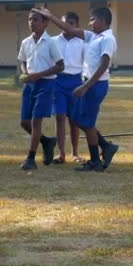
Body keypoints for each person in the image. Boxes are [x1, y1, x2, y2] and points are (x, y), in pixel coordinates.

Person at [32, 7, 119, 172]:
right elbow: (70, 29)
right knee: (80, 119)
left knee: (85, 122)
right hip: (89, 82)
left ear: (102, 21)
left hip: (95, 84)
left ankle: (96, 159)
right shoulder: (94, 36)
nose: (90, 23)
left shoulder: (107, 39)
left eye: (93, 19)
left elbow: (104, 64)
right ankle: (106, 148)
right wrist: (51, 16)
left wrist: (86, 86)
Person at [18, 10, 64, 171]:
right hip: (30, 84)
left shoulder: (51, 42)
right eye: (29, 19)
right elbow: (23, 61)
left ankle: (30, 158)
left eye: (35, 19)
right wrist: (26, 73)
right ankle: (46, 141)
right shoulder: (26, 42)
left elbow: (60, 66)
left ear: (45, 23)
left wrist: (40, 75)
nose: (31, 22)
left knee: (36, 121)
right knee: (24, 122)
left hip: (46, 84)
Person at [52, 12, 85, 164]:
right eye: (65, 23)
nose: (67, 26)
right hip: (58, 81)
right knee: (60, 117)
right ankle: (61, 153)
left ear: (77, 25)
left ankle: (75, 152)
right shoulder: (53, 41)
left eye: (71, 23)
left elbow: (87, 63)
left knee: (74, 119)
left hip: (76, 81)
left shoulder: (82, 42)